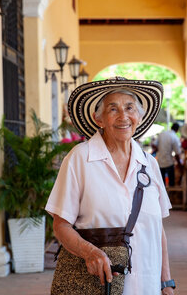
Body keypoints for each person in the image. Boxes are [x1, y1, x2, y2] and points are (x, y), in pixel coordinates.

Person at [46, 77, 176, 295]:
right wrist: (90, 252)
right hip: (96, 286)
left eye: (129, 108)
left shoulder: (149, 163)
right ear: (99, 119)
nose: (123, 116)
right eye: (113, 109)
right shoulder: (80, 158)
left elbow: (157, 230)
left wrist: (166, 282)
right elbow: (60, 225)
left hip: (148, 287)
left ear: (139, 117)